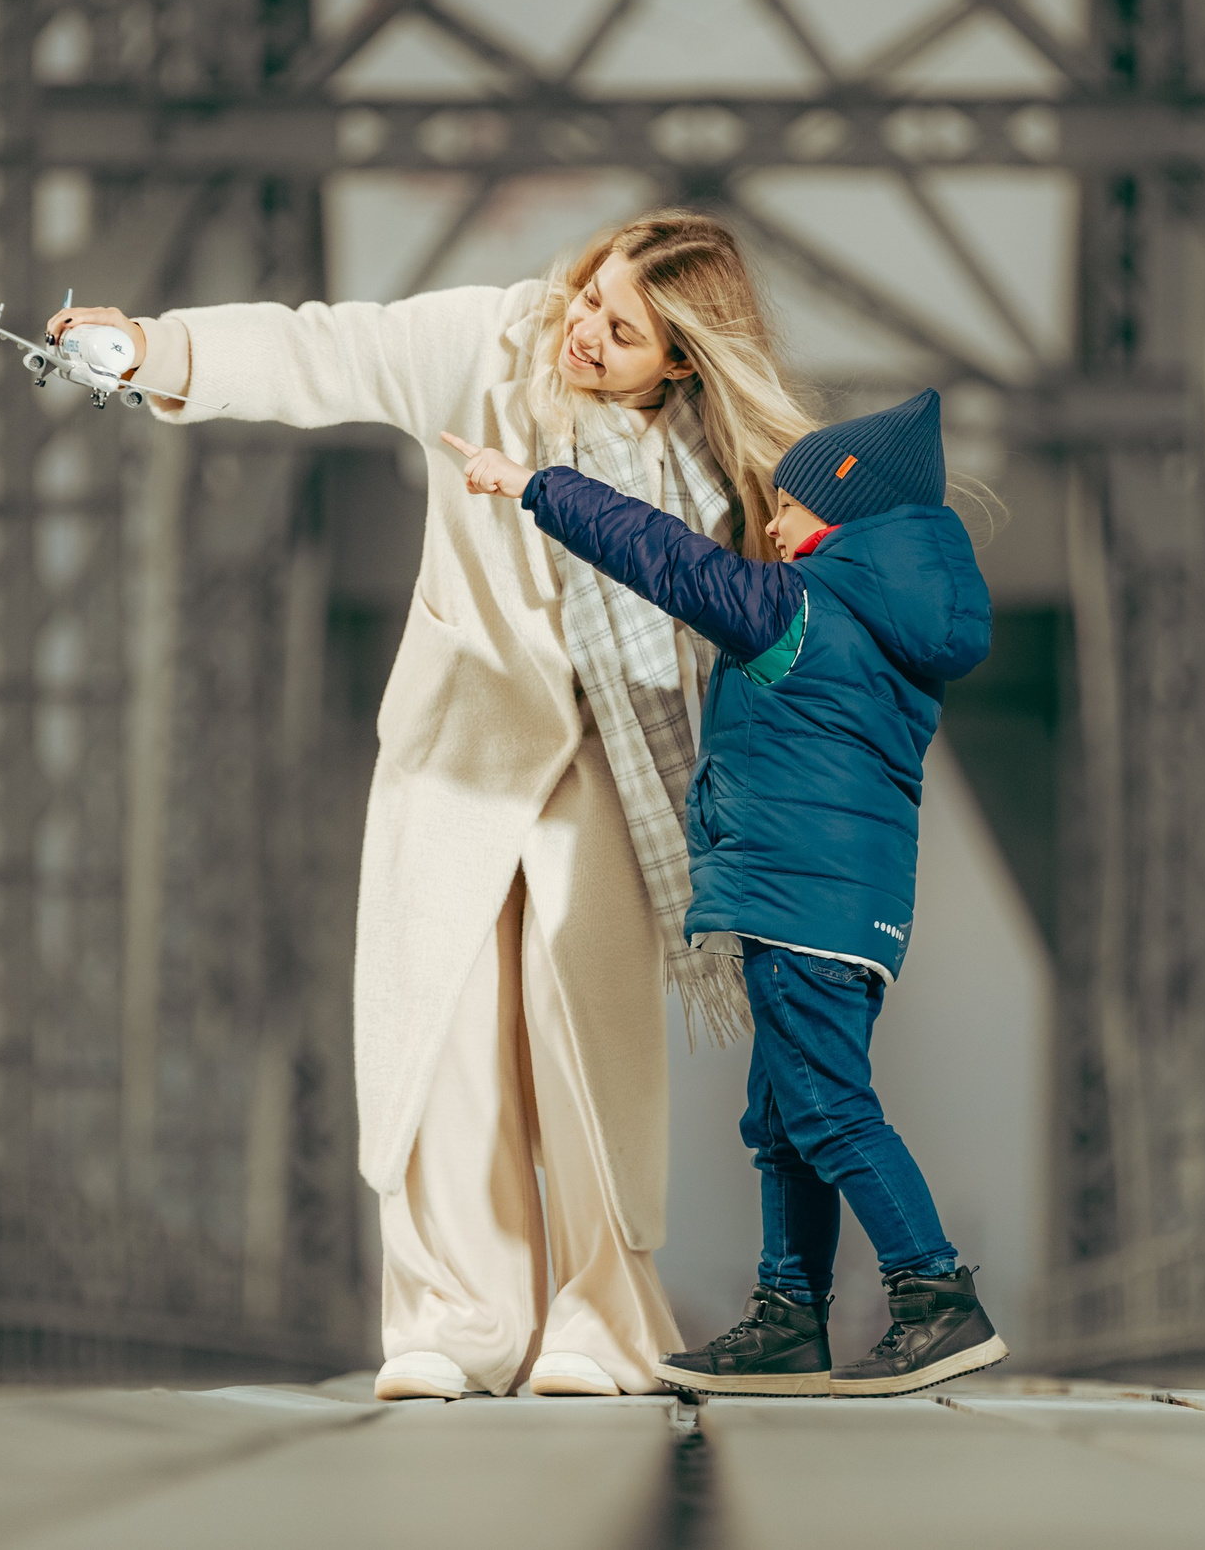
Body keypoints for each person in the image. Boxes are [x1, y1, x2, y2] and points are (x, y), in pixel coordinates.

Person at [47, 211, 814, 1400]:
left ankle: (602, 1322)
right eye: (587, 296)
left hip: (613, 771)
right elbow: (324, 351)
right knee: (445, 1028)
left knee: (584, 1046)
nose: (583, 331)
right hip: (460, 744)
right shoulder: (489, 342)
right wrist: (157, 347)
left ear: (679, 362)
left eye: (621, 331)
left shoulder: (715, 469)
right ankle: (457, 1318)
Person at [440, 386, 1008, 1398]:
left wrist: (536, 485)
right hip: (848, 912)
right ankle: (789, 1321)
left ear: (841, 508)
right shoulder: (891, 634)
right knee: (786, 1120)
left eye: (787, 505)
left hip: (797, 903)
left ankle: (936, 1297)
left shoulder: (797, 612)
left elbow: (667, 558)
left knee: (828, 1112)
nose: (771, 523)